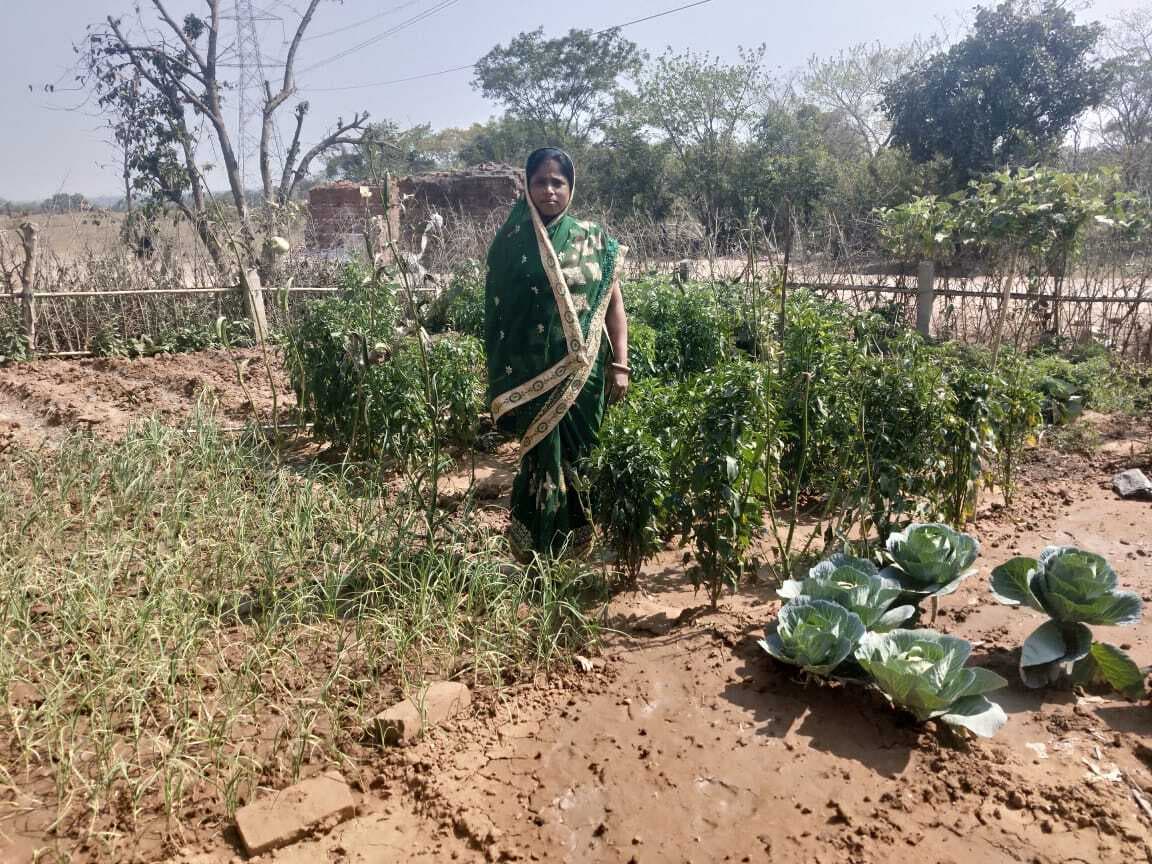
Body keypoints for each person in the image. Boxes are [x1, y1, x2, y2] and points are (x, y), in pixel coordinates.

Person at [484, 147, 630, 557]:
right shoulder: (511, 243)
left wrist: (621, 362)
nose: (549, 190)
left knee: (584, 455)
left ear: (570, 187)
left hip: (586, 376)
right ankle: (535, 543)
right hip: (532, 374)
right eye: (540, 182)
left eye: (557, 182)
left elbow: (615, 305)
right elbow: (498, 315)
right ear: (527, 187)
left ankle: (584, 540)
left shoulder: (594, 238)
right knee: (538, 459)